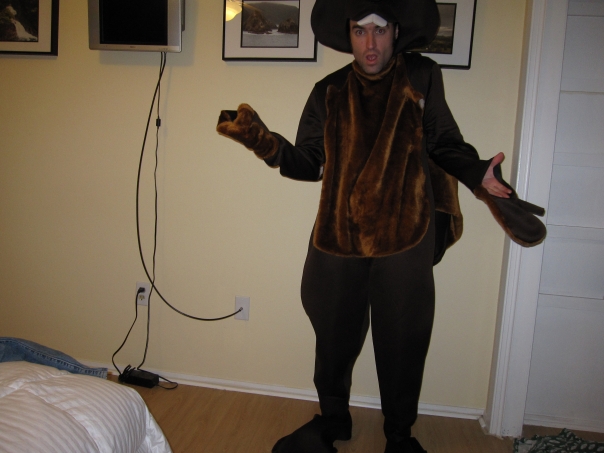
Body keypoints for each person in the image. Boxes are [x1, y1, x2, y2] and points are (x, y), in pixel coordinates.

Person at [217, 1, 545, 451]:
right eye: (360, 31)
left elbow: (444, 143)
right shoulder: (328, 90)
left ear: (395, 31)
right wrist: (264, 143)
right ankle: (333, 421)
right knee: (332, 339)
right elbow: (311, 164)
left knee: (404, 342)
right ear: (348, 35)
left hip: (404, 235)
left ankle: (398, 435)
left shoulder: (421, 77)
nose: (370, 43)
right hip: (339, 235)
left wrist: (479, 175)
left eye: (379, 30)